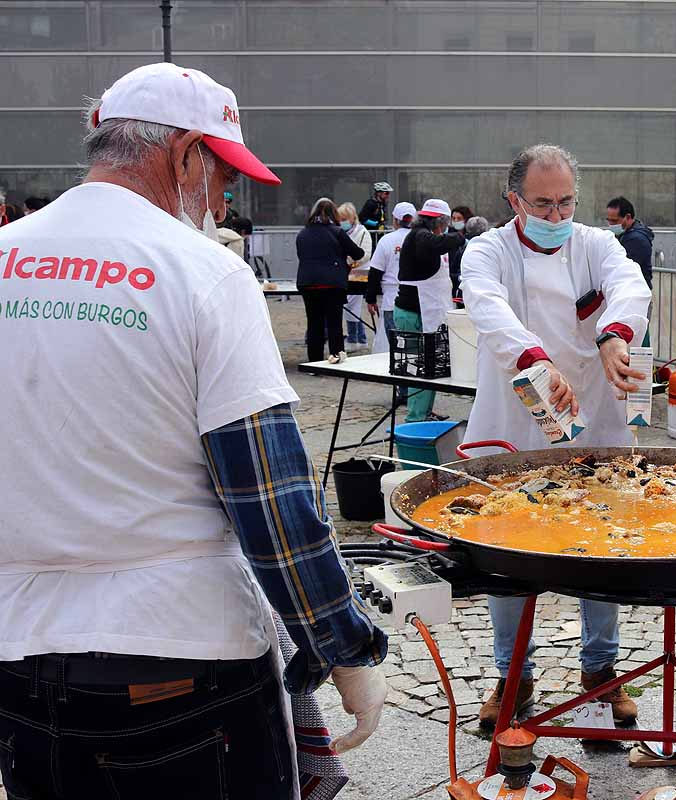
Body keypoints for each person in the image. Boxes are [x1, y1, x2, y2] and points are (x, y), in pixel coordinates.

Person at [0, 62, 388, 798]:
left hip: (18, 655)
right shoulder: (204, 273)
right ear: (183, 155)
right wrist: (343, 649)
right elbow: (270, 498)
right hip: (180, 661)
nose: (221, 200)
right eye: (221, 178)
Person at [461, 143, 651, 726]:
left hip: (593, 415)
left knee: (599, 548)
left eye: (566, 202)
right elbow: (487, 306)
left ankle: (599, 668)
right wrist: (535, 359)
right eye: (542, 204)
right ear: (513, 199)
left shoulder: (595, 244)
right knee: (509, 552)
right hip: (515, 421)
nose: (555, 215)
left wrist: (615, 335)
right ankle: (511, 675)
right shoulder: (486, 251)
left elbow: (630, 284)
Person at [393, 198, 464, 422]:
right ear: (439, 222)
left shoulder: (421, 235)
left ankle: (424, 412)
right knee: (420, 369)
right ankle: (416, 418)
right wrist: (460, 234)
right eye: (445, 225)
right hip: (414, 312)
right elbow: (439, 244)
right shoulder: (421, 236)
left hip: (424, 312)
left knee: (431, 368)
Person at [296, 196, 365, 364]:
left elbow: (301, 255)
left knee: (314, 323)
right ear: (334, 213)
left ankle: (314, 362)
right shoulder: (337, 232)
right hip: (332, 283)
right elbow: (358, 253)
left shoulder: (303, 233)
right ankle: (335, 357)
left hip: (308, 282)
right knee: (334, 323)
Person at [365, 200, 416, 355]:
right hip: (418, 299)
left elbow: (375, 272)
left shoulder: (386, 240)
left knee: (394, 344)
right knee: (415, 342)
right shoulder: (423, 239)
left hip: (392, 300)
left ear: (395, 220)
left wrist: (370, 298)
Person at [338, 201, 374, 350]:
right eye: (340, 219)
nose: (342, 222)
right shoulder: (341, 232)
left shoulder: (362, 232)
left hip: (359, 274)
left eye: (345, 218)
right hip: (345, 273)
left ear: (353, 218)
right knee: (350, 306)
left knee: (353, 306)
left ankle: (356, 338)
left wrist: (349, 261)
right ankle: (359, 338)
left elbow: (365, 254)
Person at [605, 196, 654, 290]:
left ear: (627, 217)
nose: (611, 225)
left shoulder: (636, 239)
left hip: (635, 292)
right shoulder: (624, 234)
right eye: (609, 220)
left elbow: (622, 269)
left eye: (614, 221)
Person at [450, 214, 489, 302]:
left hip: (463, 294)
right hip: (484, 294)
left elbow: (452, 272)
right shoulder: (490, 248)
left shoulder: (462, 248)